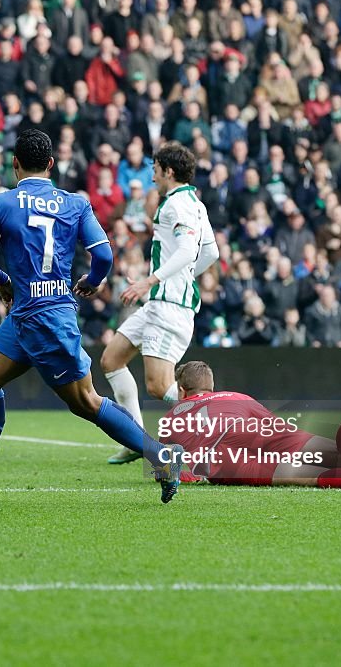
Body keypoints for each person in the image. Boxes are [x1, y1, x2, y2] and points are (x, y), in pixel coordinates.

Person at [0, 129, 185, 504]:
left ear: (14, 164)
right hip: (37, 313)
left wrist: (4, 280)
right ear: (51, 165)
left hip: (42, 318)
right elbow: (104, 257)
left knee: (87, 402)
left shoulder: (0, 204)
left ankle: (162, 457)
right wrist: (92, 282)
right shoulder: (75, 204)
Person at [99, 141, 218, 464]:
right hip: (159, 302)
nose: (152, 176)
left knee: (158, 385)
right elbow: (210, 253)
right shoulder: (194, 202)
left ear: (168, 171)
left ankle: (211, 430)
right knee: (111, 359)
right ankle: (135, 439)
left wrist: (152, 280)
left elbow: (184, 251)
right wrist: (182, 278)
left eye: (154, 170)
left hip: (167, 305)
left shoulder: (175, 206)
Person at [162, 361, 341, 489]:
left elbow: (164, 467)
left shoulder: (173, 415)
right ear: (212, 386)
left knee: (295, 474)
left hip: (224, 453)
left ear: (183, 391)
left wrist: (190, 476)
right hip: (262, 430)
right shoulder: (237, 396)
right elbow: (270, 424)